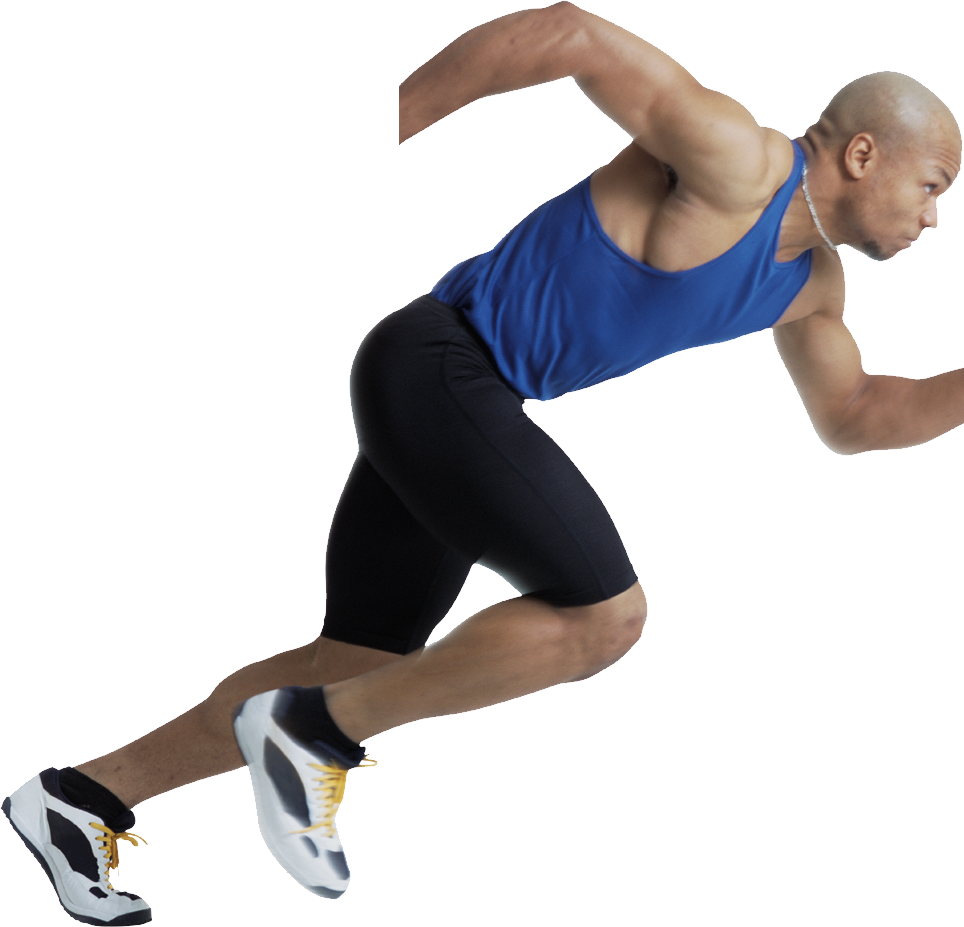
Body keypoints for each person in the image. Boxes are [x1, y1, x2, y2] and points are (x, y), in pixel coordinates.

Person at [4, 2, 963, 922]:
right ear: (862, 153)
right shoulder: (736, 156)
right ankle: (312, 732)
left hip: (459, 402)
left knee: (354, 661)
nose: (933, 220)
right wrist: (372, 131)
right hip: (437, 364)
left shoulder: (810, 285)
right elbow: (569, 32)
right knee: (606, 619)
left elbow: (857, 414)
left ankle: (82, 797)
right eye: (932, 187)